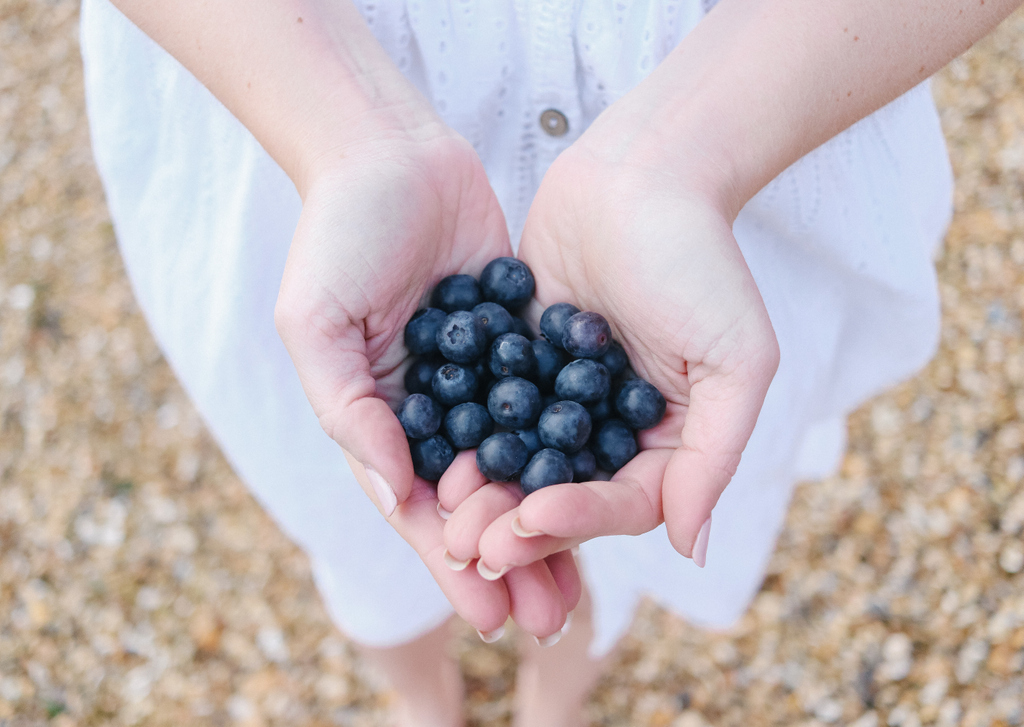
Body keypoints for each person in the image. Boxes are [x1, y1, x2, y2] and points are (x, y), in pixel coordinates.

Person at [79, 1, 1021, 725]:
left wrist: (687, 153)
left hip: (771, 95)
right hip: (281, 85)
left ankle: (555, 686)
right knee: (363, 499)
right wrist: (347, 138)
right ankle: (420, 690)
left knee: (590, 526)